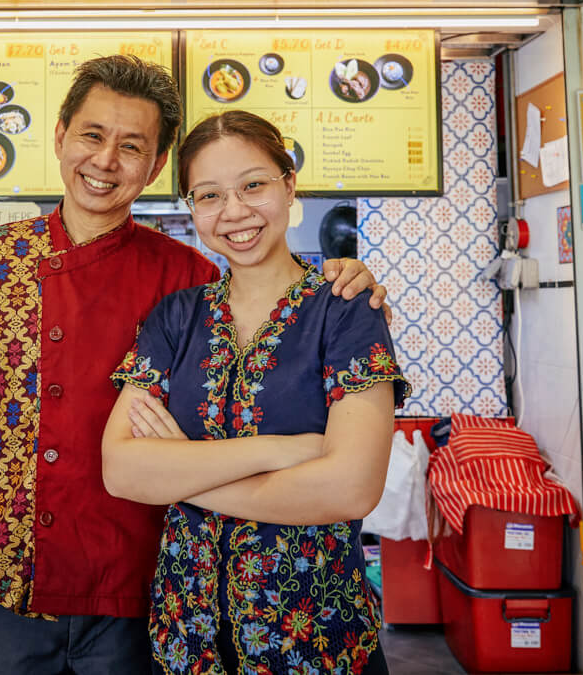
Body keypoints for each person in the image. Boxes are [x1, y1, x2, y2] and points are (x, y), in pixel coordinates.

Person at [0, 56, 390, 675]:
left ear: (156, 167)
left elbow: (341, 472)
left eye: (131, 146)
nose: (106, 161)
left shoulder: (186, 278)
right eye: (92, 136)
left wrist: (347, 279)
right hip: (5, 579)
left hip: (138, 580)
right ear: (59, 136)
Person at [102, 110, 407, 675]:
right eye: (209, 195)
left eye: (253, 185)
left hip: (315, 634)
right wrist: (282, 450)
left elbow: (350, 488)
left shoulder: (345, 311)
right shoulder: (176, 317)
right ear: (192, 208)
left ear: (289, 186)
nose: (234, 211)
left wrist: (182, 477)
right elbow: (122, 470)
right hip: (187, 638)